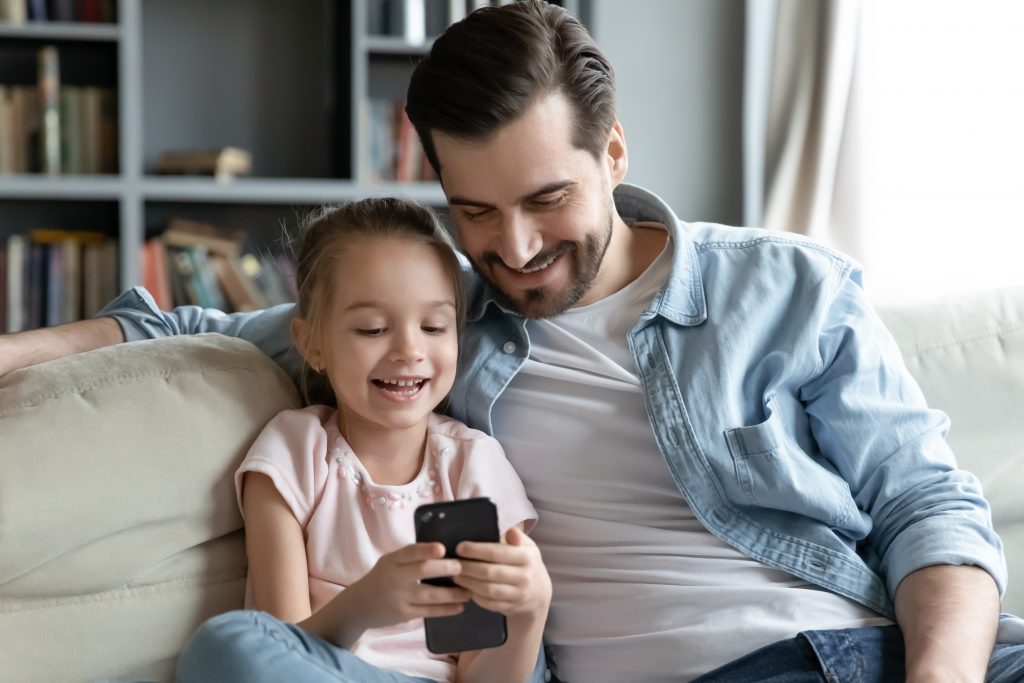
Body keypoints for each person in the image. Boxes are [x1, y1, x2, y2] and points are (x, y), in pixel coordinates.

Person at [2, 1, 1022, 680]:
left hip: (853, 652)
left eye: (546, 198)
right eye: (474, 211)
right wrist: (23, 349)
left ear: (612, 149)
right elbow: (194, 325)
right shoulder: (443, 322)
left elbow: (928, 505)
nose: (517, 248)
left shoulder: (787, 286)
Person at [174, 198, 551, 683]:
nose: (409, 350)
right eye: (373, 328)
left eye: (434, 327)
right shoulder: (294, 451)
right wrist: (364, 606)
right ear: (312, 344)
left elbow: (485, 677)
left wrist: (528, 615)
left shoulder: (471, 464)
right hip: (328, 673)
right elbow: (280, 645)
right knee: (225, 644)